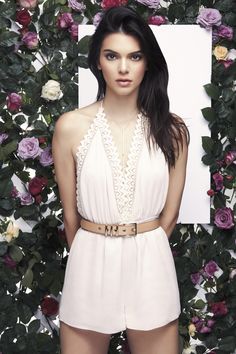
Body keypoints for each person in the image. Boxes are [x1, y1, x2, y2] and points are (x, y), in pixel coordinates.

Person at [52, 5, 189, 354]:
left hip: (151, 263)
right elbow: (71, 218)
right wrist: (93, 252)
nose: (124, 68)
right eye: (112, 56)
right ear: (98, 61)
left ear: (147, 63)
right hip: (90, 262)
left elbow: (170, 216)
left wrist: (142, 244)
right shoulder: (70, 127)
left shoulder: (172, 131)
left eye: (135, 56)